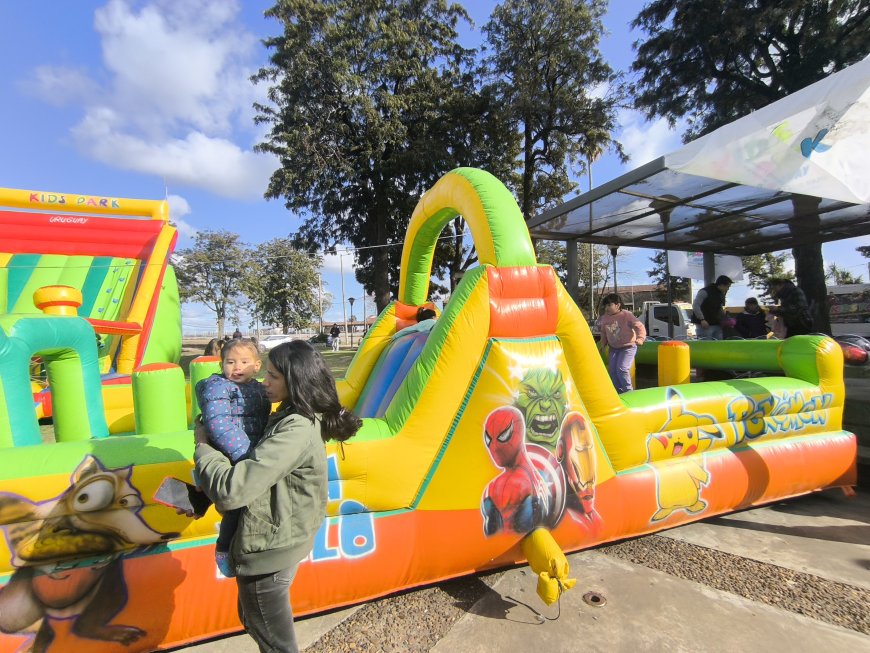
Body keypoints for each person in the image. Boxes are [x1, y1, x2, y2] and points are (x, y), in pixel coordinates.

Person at [194, 341, 361, 653]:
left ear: (294, 381)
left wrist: (203, 446)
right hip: (278, 539)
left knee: (275, 642)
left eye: (272, 376)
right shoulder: (290, 414)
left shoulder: (295, 427)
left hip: (269, 551)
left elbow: (233, 490)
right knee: (256, 621)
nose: (264, 382)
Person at [195, 338, 271, 578]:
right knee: (236, 504)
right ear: (221, 363)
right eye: (230, 362)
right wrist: (244, 453)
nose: (236, 367)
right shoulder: (218, 388)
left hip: (249, 449)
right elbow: (219, 424)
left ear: (257, 366)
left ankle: (195, 497)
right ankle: (224, 547)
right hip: (231, 450)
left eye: (244, 362)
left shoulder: (258, 388)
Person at [598, 293, 646, 393]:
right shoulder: (605, 318)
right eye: (605, 305)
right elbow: (604, 333)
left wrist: (640, 338)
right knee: (613, 370)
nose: (606, 308)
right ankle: (619, 392)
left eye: (609, 305)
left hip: (628, 347)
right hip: (614, 348)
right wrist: (603, 345)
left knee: (622, 368)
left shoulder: (626, 315)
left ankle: (629, 391)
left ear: (617, 305)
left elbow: (639, 326)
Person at [692, 275, 733, 339]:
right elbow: (696, 305)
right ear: (722, 284)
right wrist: (702, 319)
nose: (728, 289)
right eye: (727, 286)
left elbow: (719, 308)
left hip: (716, 324)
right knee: (706, 345)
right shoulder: (705, 291)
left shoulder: (721, 294)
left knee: (718, 345)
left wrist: (726, 319)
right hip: (704, 324)